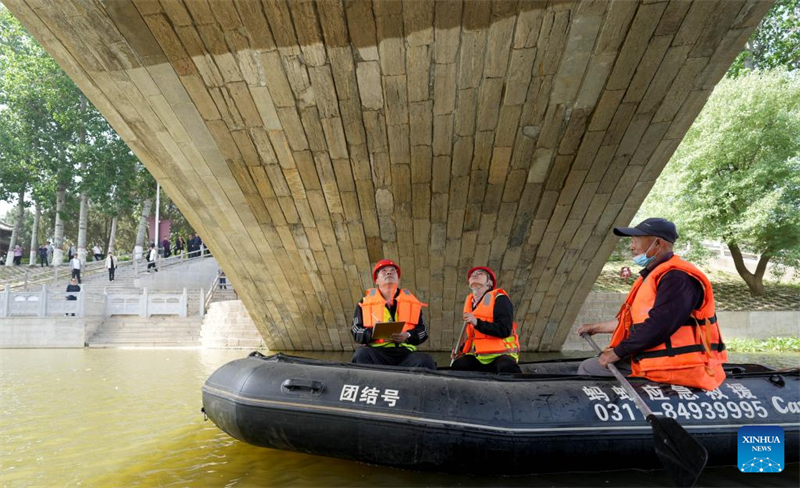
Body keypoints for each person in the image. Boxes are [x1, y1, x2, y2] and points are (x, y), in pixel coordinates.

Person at [576, 218, 727, 390]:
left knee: (589, 368)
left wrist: (617, 353)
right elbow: (633, 322)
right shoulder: (655, 275)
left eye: (635, 240)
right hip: (655, 360)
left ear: (657, 243)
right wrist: (595, 327)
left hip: (677, 366)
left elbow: (660, 325)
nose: (631, 246)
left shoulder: (677, 278)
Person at [351, 259, 436, 369]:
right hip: (377, 352)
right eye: (384, 271)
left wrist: (407, 335)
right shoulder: (363, 303)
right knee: (361, 355)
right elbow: (355, 331)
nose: (389, 273)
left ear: (398, 279)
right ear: (376, 280)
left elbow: (423, 331)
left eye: (393, 271)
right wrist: (373, 333)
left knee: (426, 360)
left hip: (406, 354)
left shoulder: (413, 303)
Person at [451, 267, 522, 374]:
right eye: (472, 275)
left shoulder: (500, 298)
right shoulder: (470, 304)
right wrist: (460, 350)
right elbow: (473, 336)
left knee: (506, 366)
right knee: (459, 364)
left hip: (501, 356)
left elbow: (504, 329)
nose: (474, 275)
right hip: (480, 357)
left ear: (489, 283)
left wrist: (477, 323)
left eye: (480, 273)